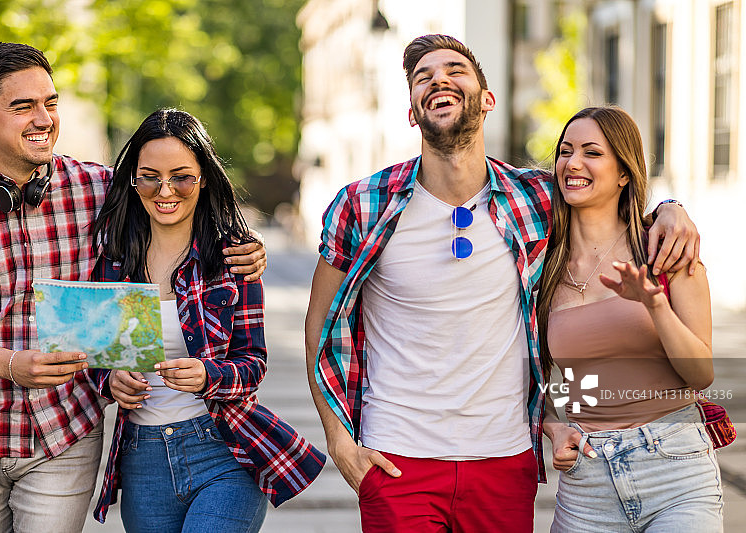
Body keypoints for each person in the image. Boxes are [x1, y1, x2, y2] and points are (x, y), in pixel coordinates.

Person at [304, 34, 700, 532]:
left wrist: (669, 209)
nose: (438, 79)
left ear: (487, 100)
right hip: (396, 457)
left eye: (454, 70)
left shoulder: (535, 197)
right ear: (412, 112)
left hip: (503, 458)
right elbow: (319, 324)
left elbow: (607, 202)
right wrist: (340, 440)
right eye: (423, 77)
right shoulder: (363, 204)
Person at [0, 43, 265, 533]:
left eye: (50, 103)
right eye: (22, 106)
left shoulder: (103, 191)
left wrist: (244, 247)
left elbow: (179, 196)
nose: (43, 118)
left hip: (64, 432)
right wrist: (12, 365)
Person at [87, 108, 325, 531]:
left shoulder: (232, 258)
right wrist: (112, 380)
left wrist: (206, 374)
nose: (166, 190)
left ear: (203, 178)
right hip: (142, 461)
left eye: (181, 176)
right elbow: (98, 357)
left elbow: (253, 365)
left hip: (222, 451)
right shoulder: (113, 261)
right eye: (150, 177)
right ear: (133, 181)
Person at [539, 106, 722, 532]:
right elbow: (536, 374)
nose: (574, 163)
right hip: (587, 484)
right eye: (566, 151)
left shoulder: (667, 251)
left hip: (676, 470)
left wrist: (655, 305)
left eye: (592, 152)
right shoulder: (542, 264)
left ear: (625, 173)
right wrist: (552, 425)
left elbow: (702, 373)